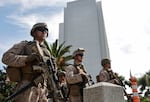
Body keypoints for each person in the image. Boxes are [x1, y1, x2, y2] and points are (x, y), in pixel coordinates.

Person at [2, 22, 56, 102]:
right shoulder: (25, 45)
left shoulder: (47, 52)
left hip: (43, 90)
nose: (44, 32)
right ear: (34, 32)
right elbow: (6, 58)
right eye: (41, 30)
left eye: (46, 30)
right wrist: (27, 59)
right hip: (27, 86)